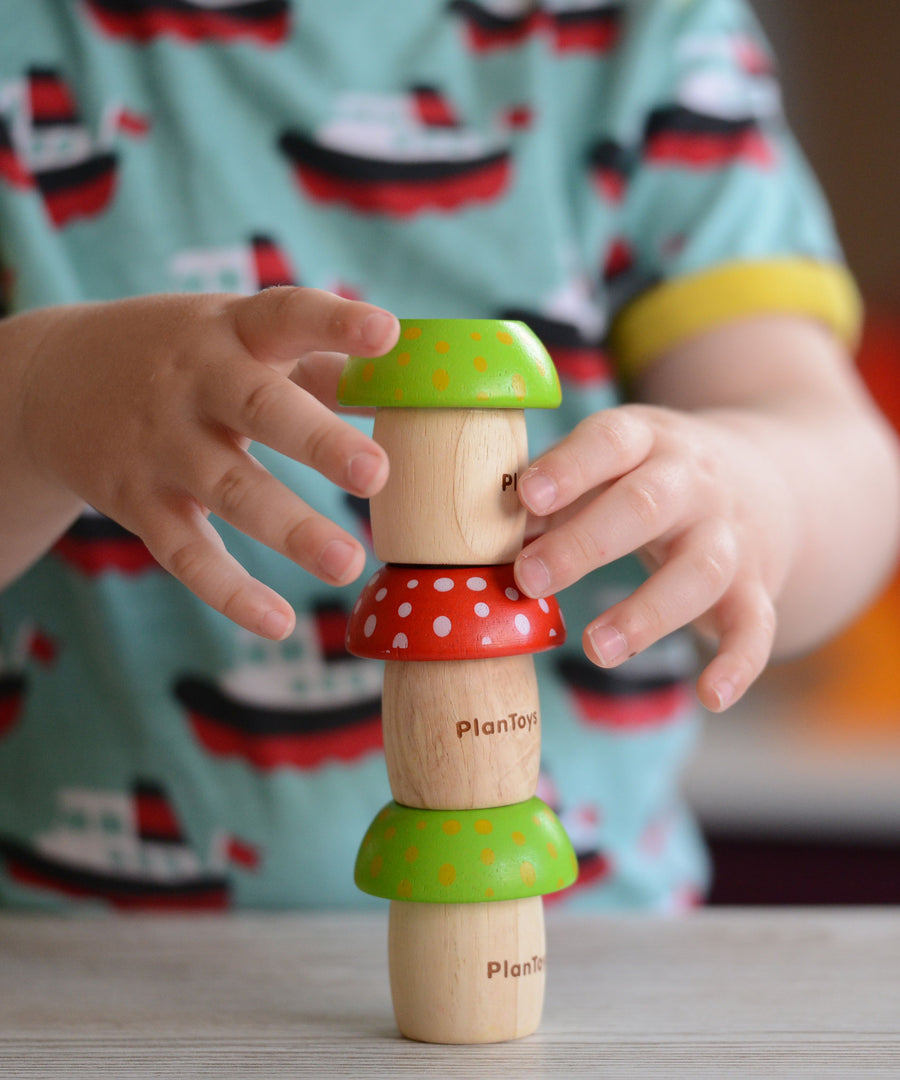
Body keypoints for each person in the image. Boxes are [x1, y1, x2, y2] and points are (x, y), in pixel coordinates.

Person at [0, 0, 897, 912]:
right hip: (79, 971)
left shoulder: (649, 36)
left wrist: (753, 487)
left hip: (594, 939)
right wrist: (33, 398)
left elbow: (839, 454)